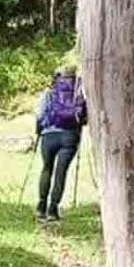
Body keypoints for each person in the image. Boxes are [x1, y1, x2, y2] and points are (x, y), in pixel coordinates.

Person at [35, 65, 88, 222]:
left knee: (46, 168)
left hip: (48, 136)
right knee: (61, 173)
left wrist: (38, 132)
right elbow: (83, 117)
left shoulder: (49, 93)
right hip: (69, 136)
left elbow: (40, 115)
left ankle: (40, 207)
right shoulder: (78, 91)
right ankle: (53, 210)